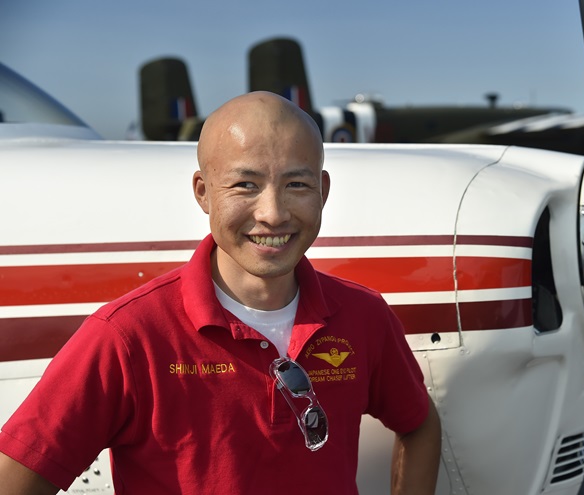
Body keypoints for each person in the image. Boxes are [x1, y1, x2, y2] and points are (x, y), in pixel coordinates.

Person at [0, 91, 441, 494]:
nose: (272, 213)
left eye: (297, 185)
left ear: (323, 193)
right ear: (203, 192)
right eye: (245, 185)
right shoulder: (128, 337)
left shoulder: (364, 316)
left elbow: (419, 424)